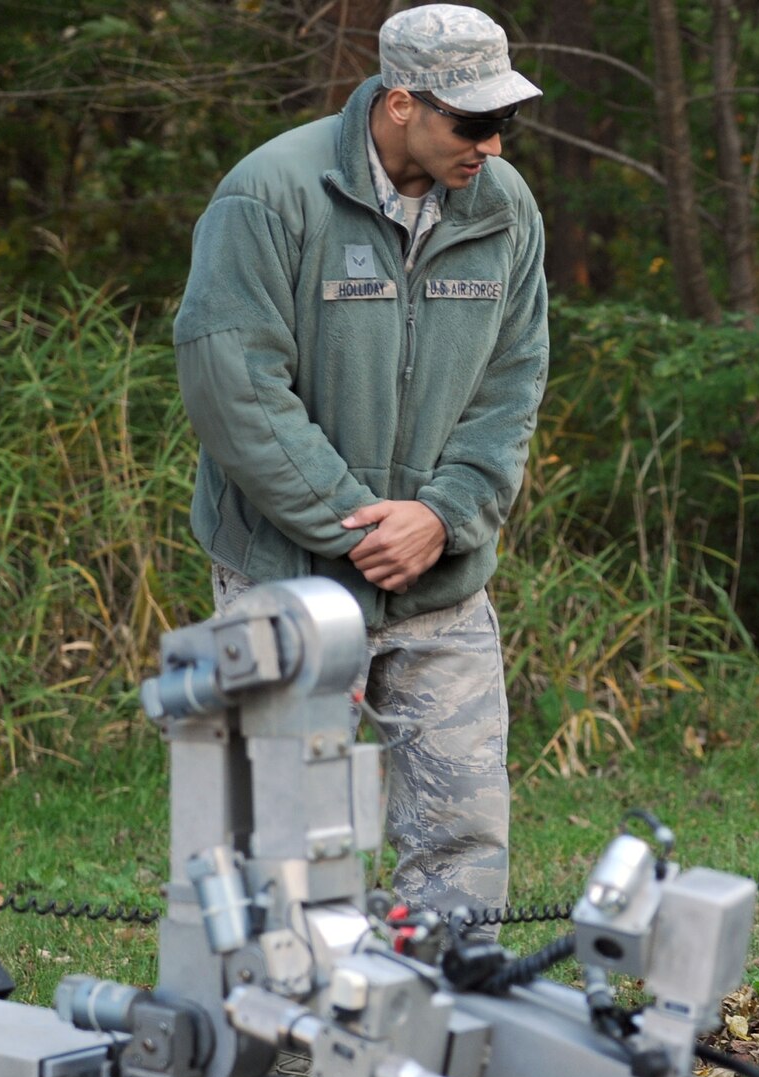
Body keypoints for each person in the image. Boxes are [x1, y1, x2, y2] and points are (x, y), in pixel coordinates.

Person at [172, 6, 546, 926]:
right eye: (473, 124)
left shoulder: (505, 208)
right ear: (400, 103)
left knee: (462, 822)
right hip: (290, 578)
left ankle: (435, 1028)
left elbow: (514, 381)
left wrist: (444, 517)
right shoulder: (271, 194)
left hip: (441, 577)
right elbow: (234, 383)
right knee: (286, 829)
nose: (492, 146)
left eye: (506, 123)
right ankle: (289, 1042)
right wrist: (355, 522)